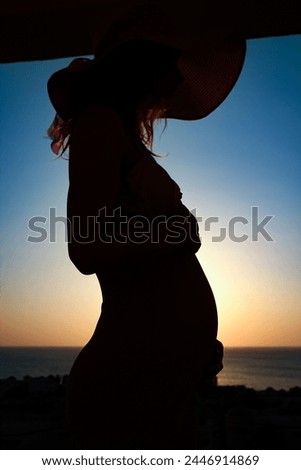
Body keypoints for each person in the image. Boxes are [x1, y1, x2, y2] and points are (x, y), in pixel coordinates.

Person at [47, 3, 246, 450]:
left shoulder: (116, 131)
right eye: (173, 64)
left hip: (154, 381)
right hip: (128, 384)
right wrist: (176, 233)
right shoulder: (100, 123)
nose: (178, 79)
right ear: (144, 61)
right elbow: (86, 245)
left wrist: (189, 350)